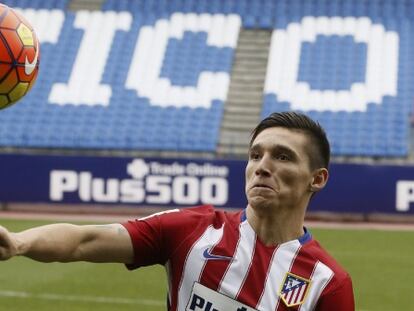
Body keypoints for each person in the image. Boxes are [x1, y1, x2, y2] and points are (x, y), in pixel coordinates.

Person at [0, 111, 354, 310]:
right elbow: (84, 240)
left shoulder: (327, 283)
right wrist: (18, 242)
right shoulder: (193, 230)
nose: (262, 166)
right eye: (255, 154)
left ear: (317, 179)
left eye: (282, 156)